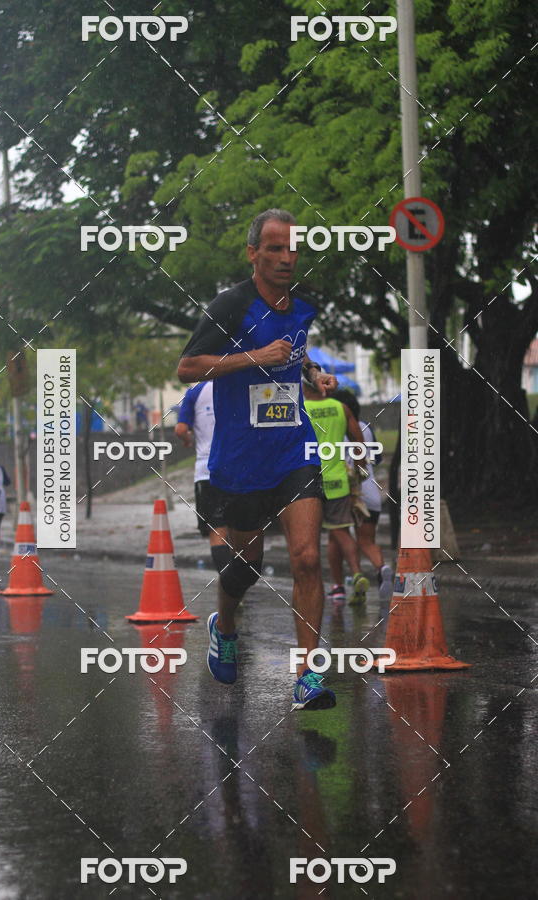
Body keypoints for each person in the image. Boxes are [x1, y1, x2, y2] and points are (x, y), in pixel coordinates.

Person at [178, 208, 338, 711]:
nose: (287, 257)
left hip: (294, 449)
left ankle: (307, 676)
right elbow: (187, 367)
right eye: (275, 248)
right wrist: (254, 358)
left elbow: (293, 352)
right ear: (253, 253)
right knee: (246, 568)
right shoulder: (230, 306)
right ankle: (224, 625)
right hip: (242, 460)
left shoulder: (303, 306)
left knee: (308, 558)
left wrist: (313, 375)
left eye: (293, 248)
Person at [302, 380, 370, 605]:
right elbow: (358, 442)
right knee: (342, 531)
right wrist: (359, 472)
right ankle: (357, 572)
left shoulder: (300, 408)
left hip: (307, 482)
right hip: (338, 479)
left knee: (307, 540)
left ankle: (320, 588)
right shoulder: (341, 408)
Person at [335, 391, 394, 600]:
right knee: (367, 541)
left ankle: (348, 580)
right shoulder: (367, 428)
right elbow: (376, 460)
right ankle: (382, 567)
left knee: (337, 535)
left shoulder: (335, 427)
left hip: (347, 490)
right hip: (370, 490)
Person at [174, 381, 232, 573]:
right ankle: (239, 584)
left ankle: (229, 585)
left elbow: (181, 429)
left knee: (217, 529)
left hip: (207, 471)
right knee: (243, 528)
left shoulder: (195, 392)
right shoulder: (237, 383)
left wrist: (187, 441)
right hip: (239, 467)